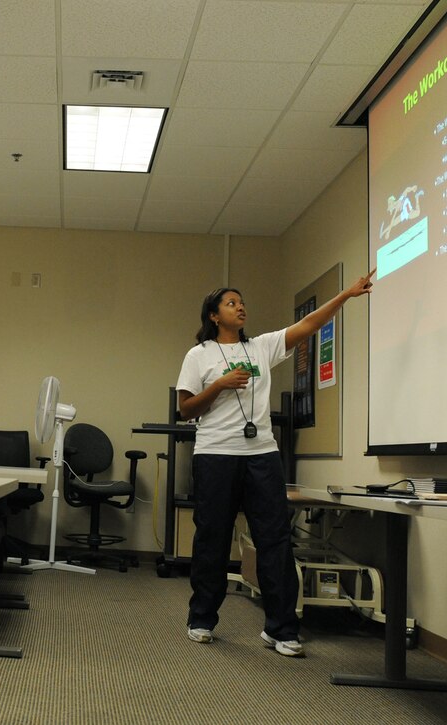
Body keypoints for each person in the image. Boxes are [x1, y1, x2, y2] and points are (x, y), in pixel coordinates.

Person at [175, 270, 374, 657]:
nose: (240, 306)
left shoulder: (263, 347)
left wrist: (346, 295)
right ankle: (201, 619)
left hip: (262, 454)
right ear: (214, 315)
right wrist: (219, 385)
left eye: (241, 301)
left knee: (275, 541)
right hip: (216, 454)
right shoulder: (198, 355)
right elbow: (185, 409)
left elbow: (308, 324)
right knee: (212, 539)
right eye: (231, 303)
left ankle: (281, 629)